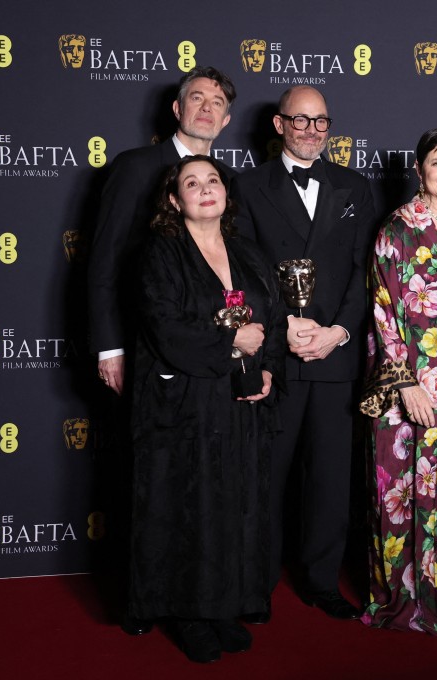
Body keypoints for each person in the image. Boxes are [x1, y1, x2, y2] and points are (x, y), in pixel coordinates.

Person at [87, 66, 236, 636]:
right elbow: (103, 265)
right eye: (195, 97)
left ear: (225, 118)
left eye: (216, 101)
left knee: (192, 483)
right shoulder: (134, 167)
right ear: (176, 110)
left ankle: (191, 595)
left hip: (204, 360)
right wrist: (110, 348)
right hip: (146, 355)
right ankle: (142, 603)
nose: (205, 107)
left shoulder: (224, 179)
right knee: (146, 482)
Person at [129, 155, 286, 663]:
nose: (205, 189)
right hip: (186, 404)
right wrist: (230, 341)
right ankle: (190, 612)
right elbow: (164, 326)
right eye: (191, 183)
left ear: (226, 193)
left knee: (236, 501)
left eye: (213, 180)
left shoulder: (249, 253)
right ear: (174, 201)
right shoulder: (162, 251)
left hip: (240, 404)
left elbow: (274, 320)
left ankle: (226, 603)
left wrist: (266, 369)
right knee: (190, 504)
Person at [231, 85, 376, 621]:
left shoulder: (355, 186)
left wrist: (338, 331)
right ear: (278, 124)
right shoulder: (246, 187)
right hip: (277, 358)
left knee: (331, 481)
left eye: (321, 121)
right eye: (300, 121)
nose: (312, 130)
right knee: (266, 478)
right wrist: (282, 326)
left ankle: (320, 582)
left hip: (335, 361)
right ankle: (257, 586)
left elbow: (368, 273)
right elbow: (241, 270)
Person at [361, 128, 437, 633]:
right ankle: (399, 597)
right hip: (404, 387)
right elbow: (383, 312)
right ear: (420, 170)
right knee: (398, 493)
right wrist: (404, 382)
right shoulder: (397, 229)